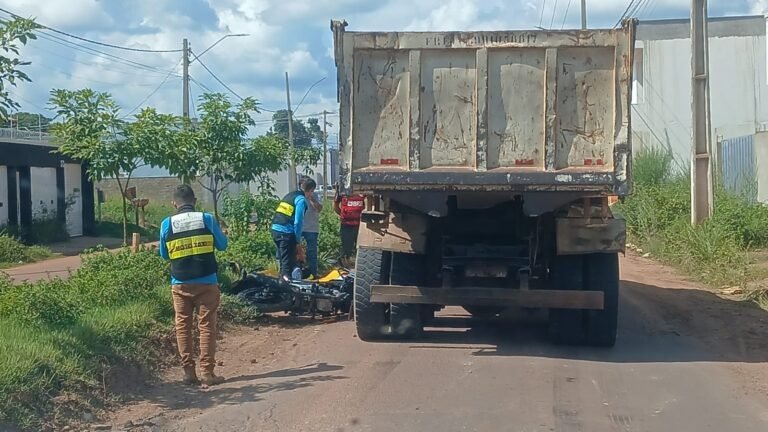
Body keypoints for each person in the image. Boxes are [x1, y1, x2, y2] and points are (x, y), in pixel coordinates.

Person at [159, 185, 228, 386]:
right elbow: (223, 245)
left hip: (179, 284)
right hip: (207, 281)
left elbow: (164, 255)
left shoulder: (166, 224)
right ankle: (207, 372)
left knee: (183, 327)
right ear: (195, 201)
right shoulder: (206, 219)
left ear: (174, 203)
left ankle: (188, 373)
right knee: (206, 326)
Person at [271, 178, 317, 282]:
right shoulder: (301, 200)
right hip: (285, 232)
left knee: (284, 261)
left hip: (275, 230)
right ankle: (288, 287)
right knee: (287, 264)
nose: (311, 194)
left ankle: (283, 280)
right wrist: (297, 241)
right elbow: (298, 222)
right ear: (310, 190)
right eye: (312, 192)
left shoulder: (290, 195)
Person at [333, 186, 364, 266]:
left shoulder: (363, 191)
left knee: (360, 247)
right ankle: (345, 264)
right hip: (346, 225)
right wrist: (342, 215)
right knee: (346, 247)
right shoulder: (343, 191)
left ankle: (359, 264)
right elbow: (335, 205)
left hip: (360, 225)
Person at [299, 176, 323, 278]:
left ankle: (313, 274)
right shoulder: (298, 195)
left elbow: (319, 208)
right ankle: (299, 274)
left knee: (312, 253)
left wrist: (311, 198)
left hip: (312, 229)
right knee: (298, 252)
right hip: (299, 228)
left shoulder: (315, 195)